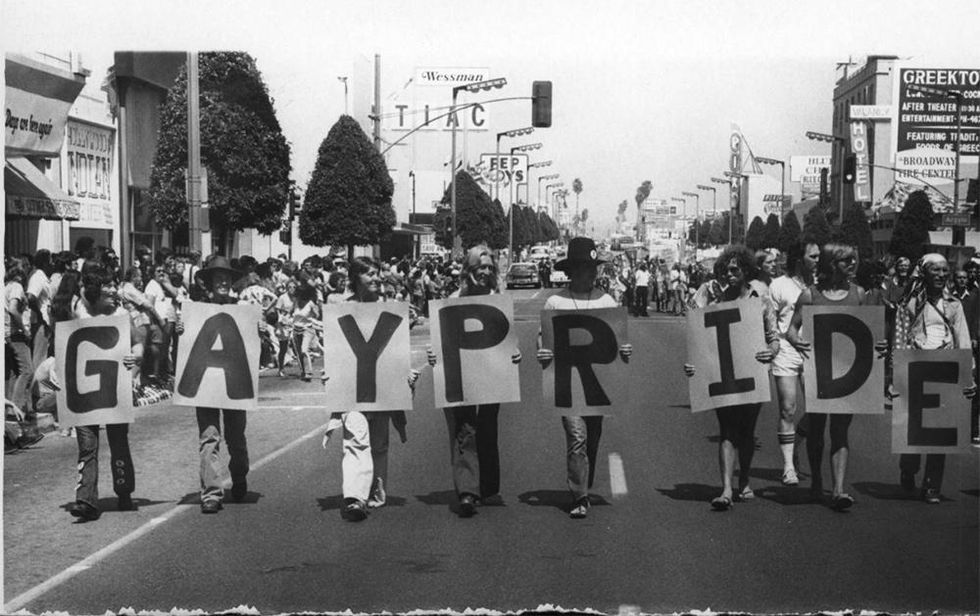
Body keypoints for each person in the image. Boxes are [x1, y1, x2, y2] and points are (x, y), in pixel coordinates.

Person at [536, 237, 632, 519]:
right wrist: (541, 353)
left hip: (597, 384)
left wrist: (625, 349)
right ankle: (580, 496)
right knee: (576, 437)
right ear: (572, 271)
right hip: (568, 382)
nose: (589, 274)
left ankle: (583, 481)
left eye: (592, 269)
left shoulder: (606, 299)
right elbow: (543, 339)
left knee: (592, 437)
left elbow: (617, 342)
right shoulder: (555, 301)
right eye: (583, 268)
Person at [786, 242, 886, 510]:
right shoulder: (810, 295)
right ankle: (817, 481)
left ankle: (839, 489)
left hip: (849, 371)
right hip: (819, 371)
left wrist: (879, 345)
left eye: (854, 260)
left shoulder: (859, 294)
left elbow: (869, 334)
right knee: (816, 430)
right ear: (831, 264)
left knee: (841, 430)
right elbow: (791, 329)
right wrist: (799, 343)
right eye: (845, 261)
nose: (852, 265)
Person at [427, 245, 521, 517]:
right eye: (481, 267)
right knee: (465, 429)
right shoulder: (453, 299)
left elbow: (508, 340)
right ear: (468, 270)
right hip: (461, 375)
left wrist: (516, 353)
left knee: (488, 427)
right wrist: (433, 354)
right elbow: (441, 338)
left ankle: (489, 488)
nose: (486, 272)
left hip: (492, 374)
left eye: (490, 267)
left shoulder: (497, 298)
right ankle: (468, 491)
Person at [322, 257, 418, 521]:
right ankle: (354, 498)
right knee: (355, 439)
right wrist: (329, 372)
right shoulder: (341, 309)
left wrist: (406, 374)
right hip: (351, 390)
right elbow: (336, 351)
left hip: (382, 388)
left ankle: (375, 492)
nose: (376, 278)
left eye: (377, 273)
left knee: (379, 444)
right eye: (369, 274)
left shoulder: (390, 308)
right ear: (355, 279)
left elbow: (395, 351)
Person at [684, 245, 779, 510]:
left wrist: (769, 352)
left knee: (747, 431)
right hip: (722, 374)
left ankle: (744, 479)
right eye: (725, 269)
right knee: (727, 429)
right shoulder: (714, 299)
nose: (729, 273)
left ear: (747, 270)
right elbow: (697, 334)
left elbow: (774, 338)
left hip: (752, 372)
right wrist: (694, 365)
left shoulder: (760, 297)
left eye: (735, 269)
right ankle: (726, 488)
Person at [892, 254, 977, 503]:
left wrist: (968, 374)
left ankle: (932, 486)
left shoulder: (954, 304)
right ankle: (908, 468)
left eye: (944, 271)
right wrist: (896, 375)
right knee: (914, 429)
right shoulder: (910, 303)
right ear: (924, 273)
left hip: (945, 369)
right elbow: (900, 338)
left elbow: (962, 338)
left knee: (940, 433)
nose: (940, 275)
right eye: (935, 271)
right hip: (916, 367)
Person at [68, 267, 146, 521]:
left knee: (118, 442)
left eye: (115, 284)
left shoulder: (122, 314)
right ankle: (86, 500)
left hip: (114, 386)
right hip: (84, 389)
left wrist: (136, 359)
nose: (115, 290)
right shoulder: (77, 311)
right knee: (87, 446)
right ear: (94, 291)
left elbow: (138, 341)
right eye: (108, 286)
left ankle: (124, 491)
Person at [178, 256, 251, 514]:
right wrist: (181, 329)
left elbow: (254, 344)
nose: (222, 282)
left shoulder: (242, 309)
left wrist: (260, 327)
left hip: (233, 383)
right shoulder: (196, 311)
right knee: (209, 438)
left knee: (235, 438)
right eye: (217, 278)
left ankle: (239, 476)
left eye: (226, 278)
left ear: (231, 282)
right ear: (209, 283)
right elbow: (186, 344)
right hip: (206, 383)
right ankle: (211, 493)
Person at [766, 241, 820, 486]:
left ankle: (796, 441)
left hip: (815, 350)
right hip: (787, 350)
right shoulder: (778, 285)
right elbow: (771, 320)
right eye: (813, 256)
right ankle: (788, 466)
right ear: (800, 259)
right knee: (788, 407)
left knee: (820, 408)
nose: (819, 260)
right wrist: (773, 344)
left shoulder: (822, 286)